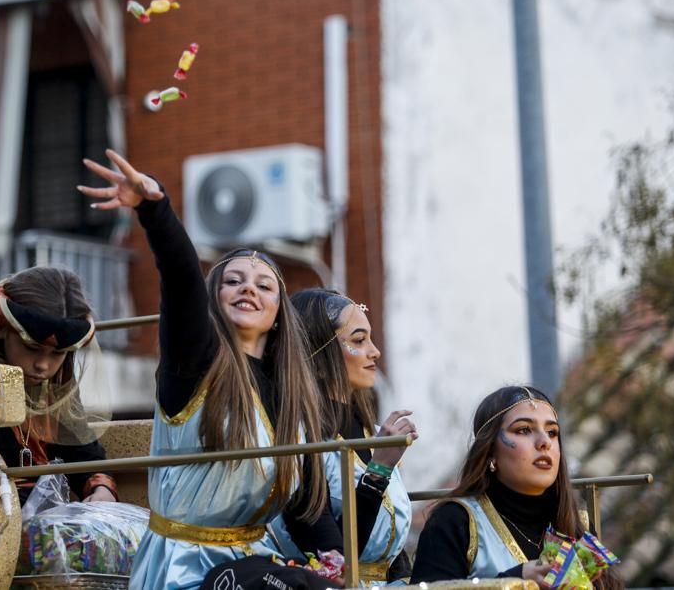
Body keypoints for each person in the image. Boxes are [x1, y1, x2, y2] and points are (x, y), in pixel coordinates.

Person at [78, 149, 341, 590]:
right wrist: (155, 208)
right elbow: (180, 280)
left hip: (254, 561)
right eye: (233, 281)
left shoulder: (293, 397)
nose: (248, 289)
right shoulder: (195, 362)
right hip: (184, 566)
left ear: (279, 311)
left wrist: (338, 562)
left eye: (264, 285)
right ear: (213, 298)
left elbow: (305, 509)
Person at [410, 386, 623, 590]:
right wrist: (515, 580)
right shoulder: (454, 522)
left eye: (552, 432)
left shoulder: (577, 524)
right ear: (490, 452)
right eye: (524, 430)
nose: (544, 442)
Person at [270, 289, 415, 585]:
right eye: (359, 341)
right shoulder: (296, 438)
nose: (375, 352)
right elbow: (333, 559)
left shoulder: (372, 432)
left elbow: (394, 551)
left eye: (370, 339)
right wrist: (378, 472)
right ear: (318, 354)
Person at [0, 266, 118, 502]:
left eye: (57, 354)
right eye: (32, 348)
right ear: (0, 328)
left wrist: (101, 489)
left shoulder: (56, 390)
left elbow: (82, 452)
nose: (43, 365)